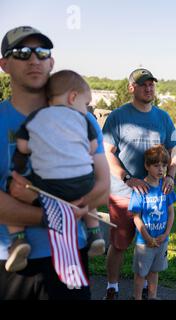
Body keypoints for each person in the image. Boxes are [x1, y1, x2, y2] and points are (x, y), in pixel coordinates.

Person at [0, 26, 110, 300]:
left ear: (51, 62)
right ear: (4, 65)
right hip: (9, 263)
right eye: (22, 53)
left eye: (42, 52)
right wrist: (61, 214)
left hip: (70, 257)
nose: (34, 59)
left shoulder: (81, 119)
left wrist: (35, 208)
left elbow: (103, 187)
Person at [5, 70, 106, 273]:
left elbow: (24, 147)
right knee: (84, 188)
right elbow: (92, 148)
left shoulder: (37, 117)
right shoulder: (85, 120)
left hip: (48, 183)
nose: (86, 110)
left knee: (13, 188)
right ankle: (95, 232)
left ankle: (18, 239)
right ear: (72, 97)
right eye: (85, 104)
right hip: (81, 183)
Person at [102, 68, 176, 300]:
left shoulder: (162, 117)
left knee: (151, 242)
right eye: (143, 84)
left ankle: (146, 287)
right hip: (123, 193)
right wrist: (128, 178)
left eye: (152, 85)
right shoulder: (118, 116)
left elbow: (173, 151)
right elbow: (107, 153)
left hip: (154, 196)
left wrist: (170, 176)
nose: (149, 88)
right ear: (131, 88)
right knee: (119, 244)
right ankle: (112, 286)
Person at [129, 145, 176, 300]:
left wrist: (166, 233)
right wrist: (147, 238)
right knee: (141, 273)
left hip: (162, 239)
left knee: (154, 271)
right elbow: (136, 217)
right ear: (147, 166)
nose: (161, 169)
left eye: (164, 165)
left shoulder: (166, 187)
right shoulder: (141, 189)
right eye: (156, 165)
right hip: (145, 242)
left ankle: (152, 296)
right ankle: (137, 297)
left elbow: (170, 212)